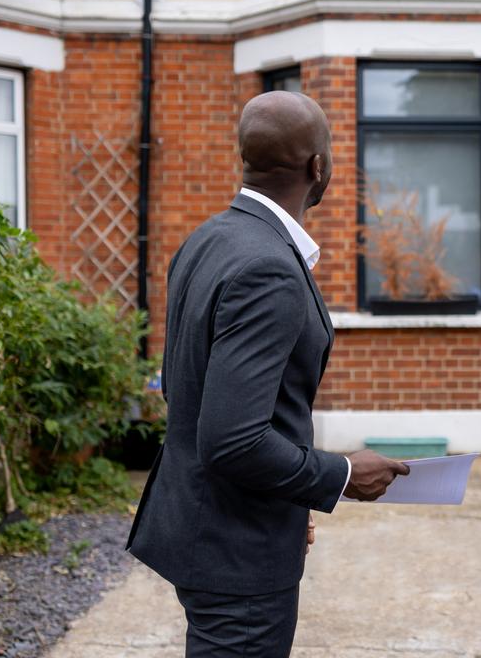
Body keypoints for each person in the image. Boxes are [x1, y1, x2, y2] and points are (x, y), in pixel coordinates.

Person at [126, 91, 410, 657]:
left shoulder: (208, 240)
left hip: (212, 526)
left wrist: (291, 496)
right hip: (236, 551)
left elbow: (187, 389)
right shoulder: (268, 268)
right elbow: (232, 439)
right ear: (318, 167)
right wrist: (340, 474)